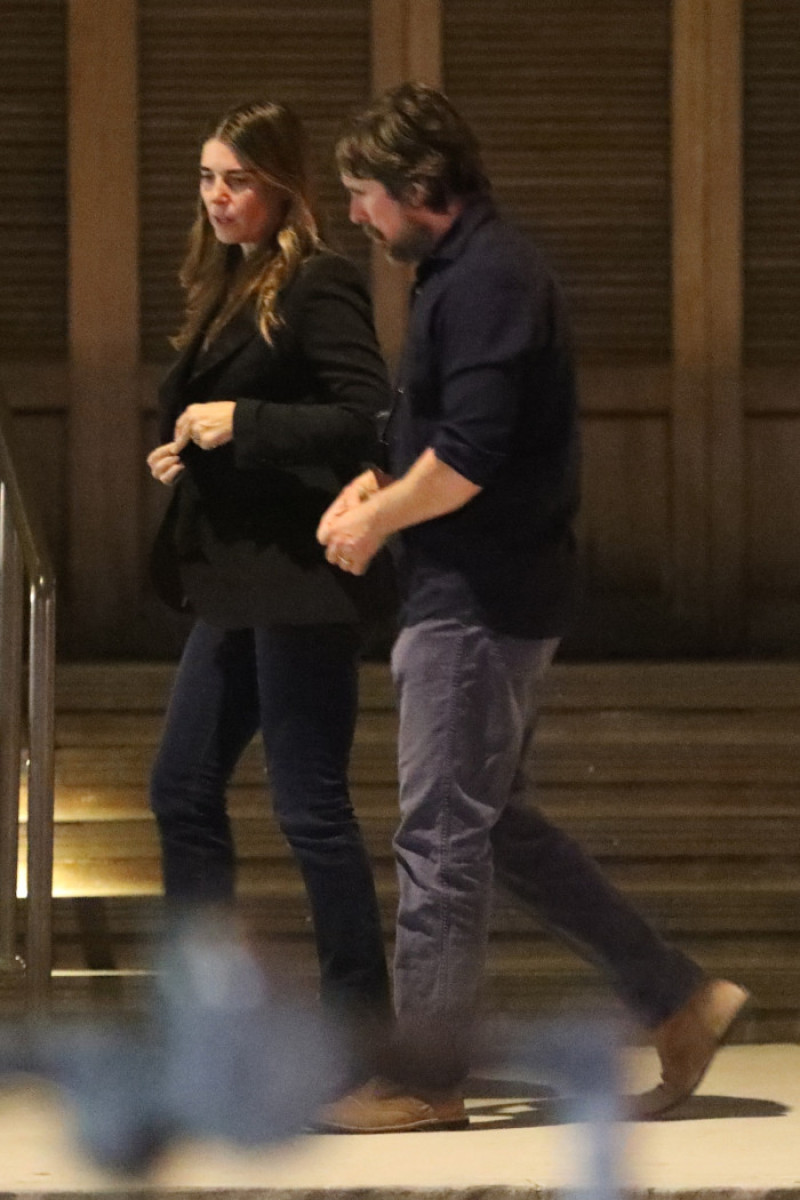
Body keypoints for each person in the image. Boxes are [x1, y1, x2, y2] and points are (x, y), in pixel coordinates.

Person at [316, 82, 749, 1132]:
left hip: (478, 600)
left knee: (439, 837)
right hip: (477, 591)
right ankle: (677, 998)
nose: (356, 214)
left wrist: (375, 524)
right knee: (493, 827)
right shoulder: (461, 276)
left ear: (421, 185)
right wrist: (377, 485)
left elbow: (469, 459)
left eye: (365, 193)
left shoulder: (489, 278)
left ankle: (424, 1080)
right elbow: (446, 436)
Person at [146, 99, 392, 1039]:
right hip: (235, 582)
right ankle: (207, 1026)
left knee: (310, 807)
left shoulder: (319, 281)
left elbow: (364, 415)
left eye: (238, 180)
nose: (216, 196)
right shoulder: (227, 282)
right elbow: (232, 415)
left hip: (298, 578)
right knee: (180, 788)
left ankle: (360, 1030)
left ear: (284, 186)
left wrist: (241, 423)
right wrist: (188, 450)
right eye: (208, 178)